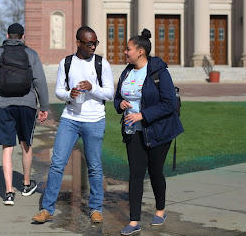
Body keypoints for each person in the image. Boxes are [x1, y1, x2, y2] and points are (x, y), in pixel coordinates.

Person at [32, 26, 114, 224]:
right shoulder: (66, 62)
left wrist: (92, 87)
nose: (93, 47)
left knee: (94, 166)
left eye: (95, 43)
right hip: (70, 119)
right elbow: (59, 90)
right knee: (57, 163)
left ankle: (95, 208)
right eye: (89, 43)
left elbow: (110, 93)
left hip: (94, 120)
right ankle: (47, 209)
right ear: (78, 43)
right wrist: (70, 94)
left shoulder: (102, 64)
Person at [113, 29, 184, 235]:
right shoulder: (126, 72)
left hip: (158, 130)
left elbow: (169, 104)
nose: (125, 52)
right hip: (132, 130)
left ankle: (160, 210)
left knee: (155, 172)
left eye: (128, 49)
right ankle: (134, 221)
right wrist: (121, 104)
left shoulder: (159, 72)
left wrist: (143, 115)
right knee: (135, 174)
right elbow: (117, 98)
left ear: (141, 51)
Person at [0, 23, 49, 206]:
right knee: (26, 143)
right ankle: (27, 184)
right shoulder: (31, 54)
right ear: (23, 36)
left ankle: (9, 192)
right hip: (27, 104)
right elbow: (40, 81)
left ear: (7, 35)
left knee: (7, 147)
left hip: (3, 103)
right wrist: (44, 106)